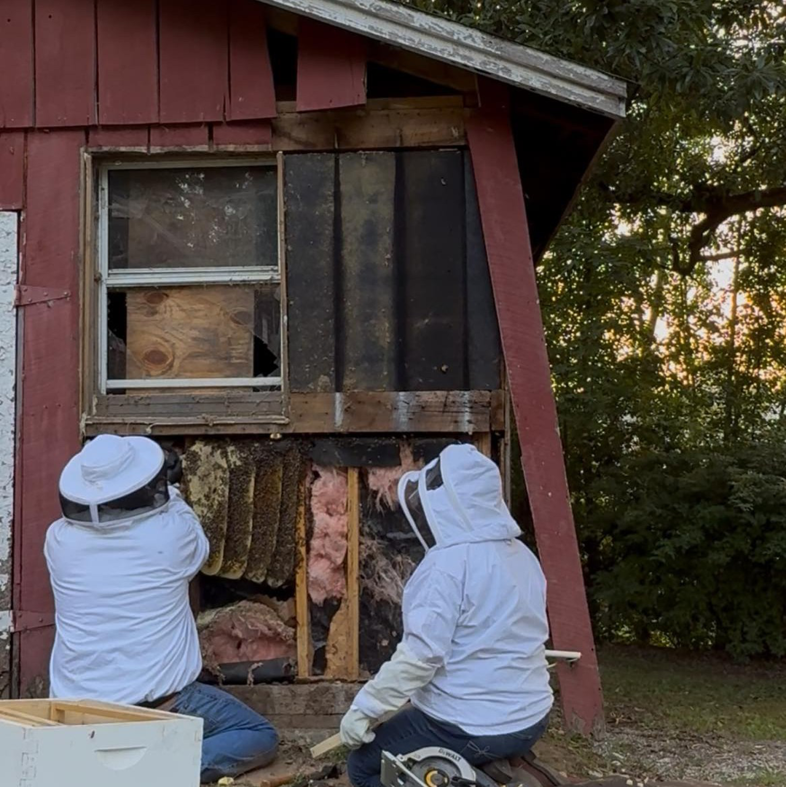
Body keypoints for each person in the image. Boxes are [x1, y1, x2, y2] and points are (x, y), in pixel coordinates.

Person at [45, 434, 279, 784]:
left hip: (76, 711)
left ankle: (103, 771)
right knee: (258, 735)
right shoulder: (169, 536)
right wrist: (172, 489)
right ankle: (149, 773)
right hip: (157, 707)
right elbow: (196, 542)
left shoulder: (59, 541)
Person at [340, 444, 553, 787]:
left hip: (474, 725)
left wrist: (365, 710)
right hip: (533, 717)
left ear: (445, 504)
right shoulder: (523, 556)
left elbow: (420, 657)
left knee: (365, 766)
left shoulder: (447, 566)